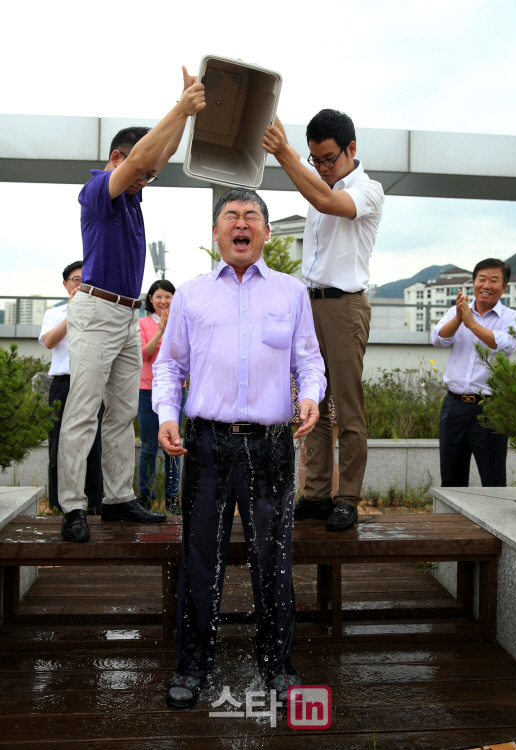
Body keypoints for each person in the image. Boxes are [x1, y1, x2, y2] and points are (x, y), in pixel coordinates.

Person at [153, 188, 326, 710]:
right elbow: (169, 364)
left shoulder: (292, 293)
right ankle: (192, 667)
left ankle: (277, 666)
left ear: (267, 232)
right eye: (231, 215)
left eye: (252, 215)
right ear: (216, 232)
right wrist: (166, 415)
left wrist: (312, 396)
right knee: (200, 559)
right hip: (205, 444)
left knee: (272, 560)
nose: (241, 223)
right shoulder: (190, 294)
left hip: (271, 447)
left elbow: (309, 361)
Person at [57, 67, 206, 543]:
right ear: (118, 159)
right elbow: (144, 155)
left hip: (125, 315)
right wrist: (179, 107)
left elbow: (157, 153)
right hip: (96, 310)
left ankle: (119, 499)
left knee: (121, 412)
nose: (147, 178)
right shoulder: (98, 190)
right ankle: (73, 507)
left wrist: (184, 110)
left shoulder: (136, 196)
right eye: (139, 172)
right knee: (83, 411)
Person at [263, 110, 385, 531]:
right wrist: (292, 154)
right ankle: (315, 494)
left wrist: (284, 153)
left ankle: (347, 498)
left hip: (344, 306)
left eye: (329, 158)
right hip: (309, 303)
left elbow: (325, 201)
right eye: (315, 159)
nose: (322, 167)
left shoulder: (369, 190)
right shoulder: (320, 182)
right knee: (311, 403)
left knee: (347, 408)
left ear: (352, 149)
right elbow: (318, 192)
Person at [432, 258, 516, 487]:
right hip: (454, 406)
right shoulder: (456, 311)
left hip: (491, 407)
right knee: (451, 477)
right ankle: (453, 523)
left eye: (494, 280)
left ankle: (494, 522)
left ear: (504, 287)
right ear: (473, 283)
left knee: (492, 479)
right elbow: (438, 339)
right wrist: (459, 319)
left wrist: (470, 323)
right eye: (481, 279)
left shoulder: (512, 318)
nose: (486, 285)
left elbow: (506, 344)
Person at [39, 261, 104, 514]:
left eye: (85, 280)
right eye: (76, 279)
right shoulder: (54, 314)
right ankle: (59, 505)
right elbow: (49, 341)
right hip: (63, 385)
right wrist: (73, 311)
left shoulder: (99, 314)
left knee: (93, 446)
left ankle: (93, 505)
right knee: (59, 444)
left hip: (91, 383)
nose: (80, 284)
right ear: (65, 284)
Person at [138, 279, 186, 513]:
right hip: (147, 391)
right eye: (158, 296)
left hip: (177, 392)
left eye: (168, 296)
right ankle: (145, 497)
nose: (163, 301)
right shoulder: (143, 323)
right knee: (148, 447)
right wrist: (160, 331)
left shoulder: (181, 324)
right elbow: (143, 356)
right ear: (150, 299)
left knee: (174, 445)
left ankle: (172, 498)